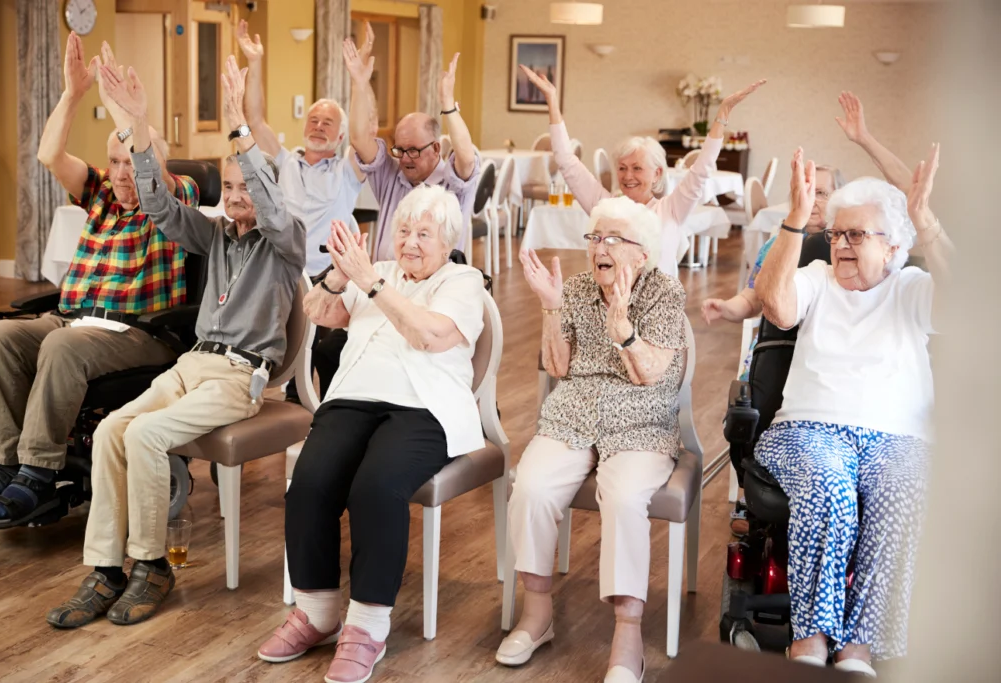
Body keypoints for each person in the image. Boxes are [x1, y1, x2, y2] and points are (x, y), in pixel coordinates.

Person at [46, 55, 305, 628]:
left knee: (145, 434)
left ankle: (150, 565)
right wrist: (140, 126)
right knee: (114, 428)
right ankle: (107, 572)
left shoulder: (287, 243)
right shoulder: (214, 235)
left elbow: (269, 200)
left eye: (246, 188)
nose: (237, 196)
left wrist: (240, 123)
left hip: (240, 376)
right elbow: (160, 206)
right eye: (230, 187)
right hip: (193, 364)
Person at [258, 186, 485, 683]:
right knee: (309, 483)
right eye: (403, 231)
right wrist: (341, 279)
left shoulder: (464, 280)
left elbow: (427, 335)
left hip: (425, 408)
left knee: (376, 488)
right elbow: (321, 314)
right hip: (353, 399)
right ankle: (317, 614)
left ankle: (366, 627)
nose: (410, 243)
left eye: (424, 234)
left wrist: (372, 284)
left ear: (447, 241)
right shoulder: (374, 270)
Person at [0, 35, 197, 528]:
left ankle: (37, 471)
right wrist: (74, 93)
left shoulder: (174, 199)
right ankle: (3, 462)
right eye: (114, 162)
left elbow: (148, 169)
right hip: (75, 320)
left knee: (60, 348)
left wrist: (129, 112)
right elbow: (49, 154)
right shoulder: (99, 194)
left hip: (141, 332)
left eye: (131, 162)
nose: (122, 174)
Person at [753, 146, 952, 673]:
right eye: (838, 233)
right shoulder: (817, 277)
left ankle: (859, 646)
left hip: (899, 438)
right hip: (807, 430)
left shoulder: (912, 288)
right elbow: (775, 306)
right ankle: (811, 639)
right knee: (829, 489)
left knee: (903, 489)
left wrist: (925, 218)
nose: (840, 244)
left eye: (856, 235)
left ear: (892, 247)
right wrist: (795, 223)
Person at [497, 197, 687, 682]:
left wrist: (622, 327)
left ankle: (627, 634)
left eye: (613, 239)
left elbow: (649, 373)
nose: (599, 247)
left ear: (641, 253)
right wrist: (550, 306)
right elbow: (558, 367)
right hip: (575, 413)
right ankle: (537, 614)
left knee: (624, 498)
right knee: (532, 488)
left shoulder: (663, 293)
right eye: (595, 237)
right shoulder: (578, 288)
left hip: (640, 420)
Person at [701, 91, 911, 381]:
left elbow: (907, 195)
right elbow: (754, 296)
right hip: (779, 357)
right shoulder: (777, 245)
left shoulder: (860, 247)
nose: (811, 200)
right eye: (805, 191)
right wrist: (728, 307)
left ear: (841, 199)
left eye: (821, 193)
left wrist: (864, 139)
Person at [520, 66, 765, 276]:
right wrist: (552, 100)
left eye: (637, 168)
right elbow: (566, 161)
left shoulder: (671, 209)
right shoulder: (604, 205)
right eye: (623, 168)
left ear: (657, 174)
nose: (628, 176)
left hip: (658, 313)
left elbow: (701, 170)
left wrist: (721, 115)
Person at [236, 20, 369, 401]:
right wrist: (255, 62)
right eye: (313, 120)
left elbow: (363, 136)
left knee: (328, 353)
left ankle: (328, 405)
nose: (319, 126)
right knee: (282, 347)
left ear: (341, 136)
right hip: (288, 271)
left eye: (328, 123)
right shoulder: (284, 162)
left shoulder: (347, 168)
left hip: (332, 273)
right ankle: (282, 394)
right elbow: (254, 120)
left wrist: (359, 82)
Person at [343, 31, 480, 262]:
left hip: (434, 289)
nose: (405, 159)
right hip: (384, 284)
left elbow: (466, 157)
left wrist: (448, 104)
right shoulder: (391, 175)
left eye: (414, 151)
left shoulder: (453, 185)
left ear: (436, 149)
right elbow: (359, 140)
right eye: (400, 150)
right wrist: (358, 83)